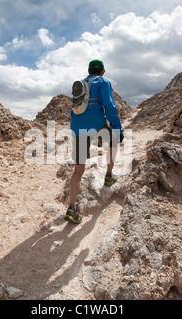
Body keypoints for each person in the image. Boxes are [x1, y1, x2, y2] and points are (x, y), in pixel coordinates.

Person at [64, 59, 124, 224]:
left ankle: (71, 207)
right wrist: (118, 128)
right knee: (113, 140)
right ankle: (109, 176)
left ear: (89, 70)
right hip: (97, 122)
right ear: (102, 71)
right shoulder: (103, 82)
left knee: (78, 170)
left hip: (78, 126)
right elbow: (110, 107)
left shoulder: (81, 83)